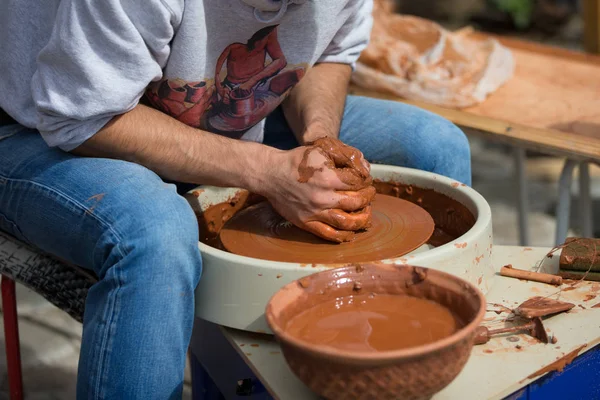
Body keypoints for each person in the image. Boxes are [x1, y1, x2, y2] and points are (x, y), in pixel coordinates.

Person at [0, 0, 470, 398]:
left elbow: (326, 51)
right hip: (42, 124)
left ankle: (406, 366)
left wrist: (319, 138)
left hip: (221, 110)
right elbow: (80, 116)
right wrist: (266, 170)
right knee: (154, 231)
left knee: (433, 145)